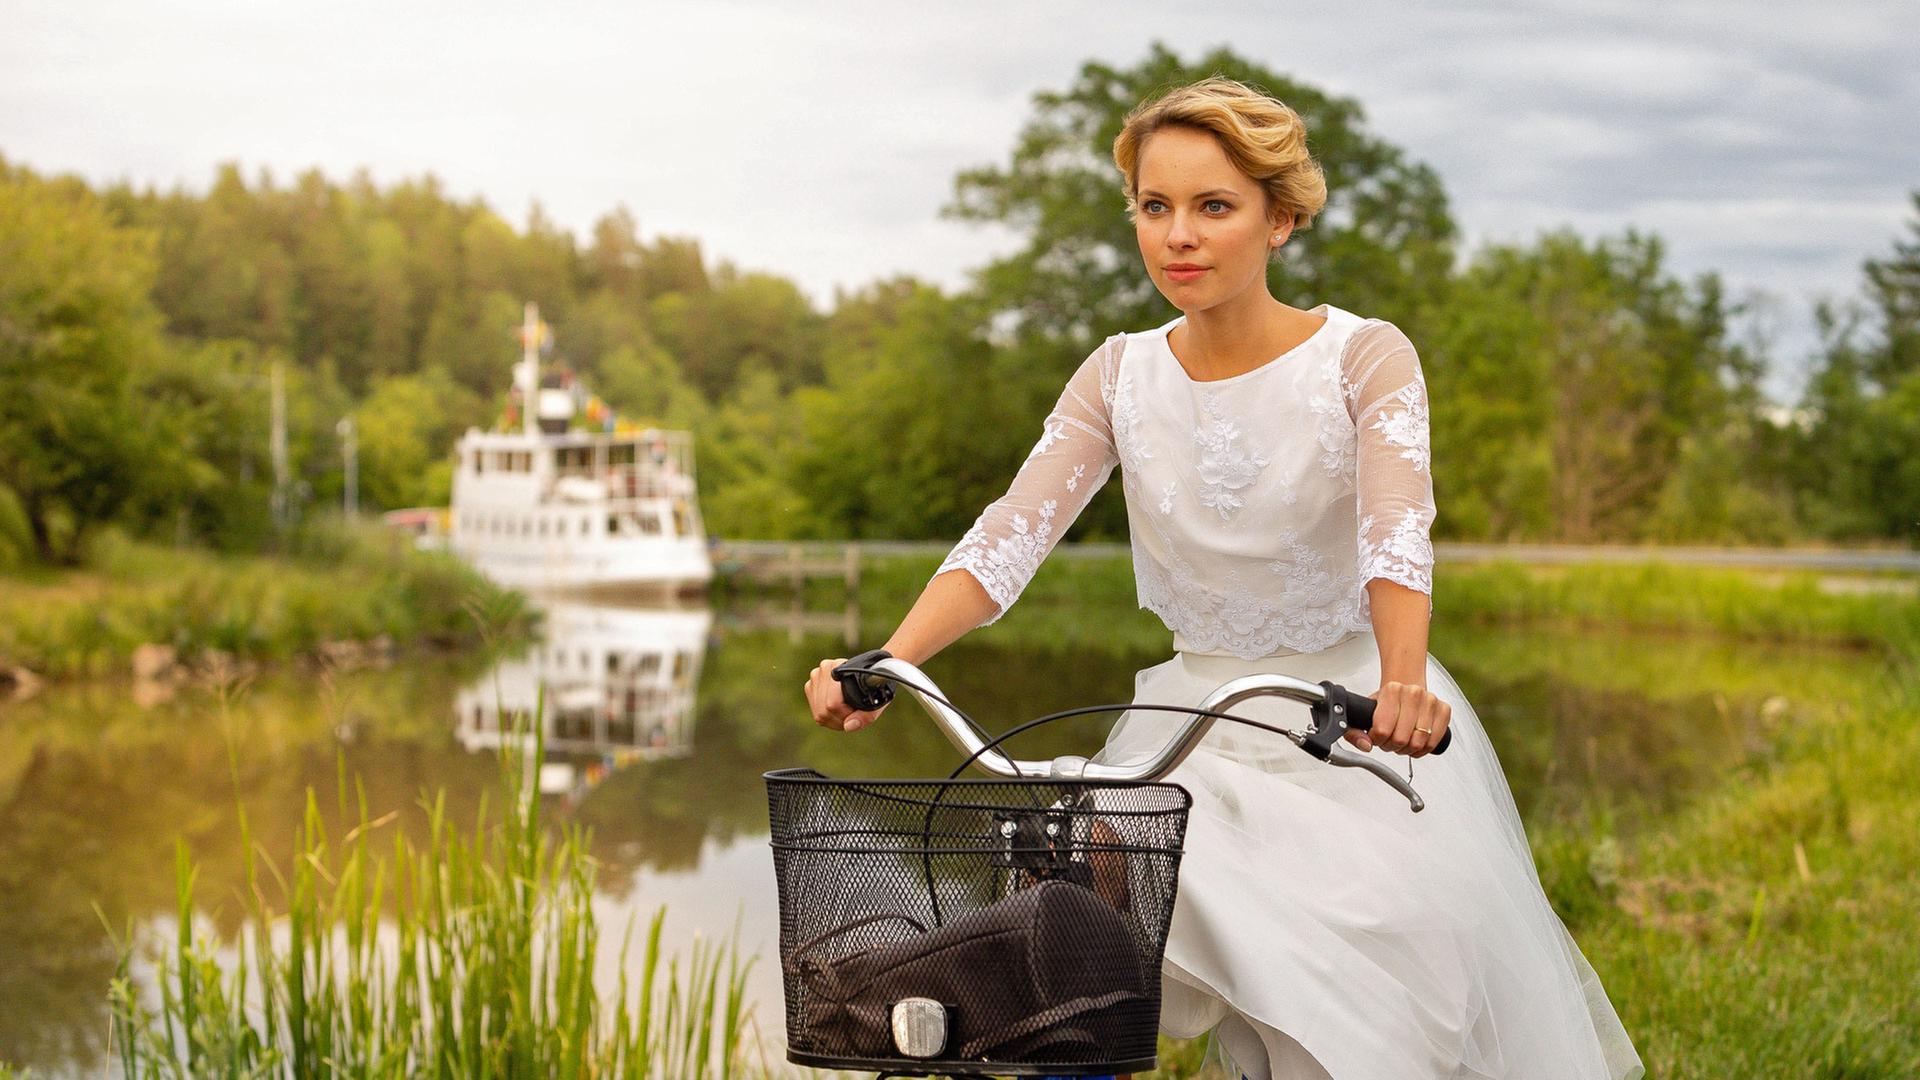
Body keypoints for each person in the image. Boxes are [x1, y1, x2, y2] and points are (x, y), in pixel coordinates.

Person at [803, 76, 1644, 1080]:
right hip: (1191, 724)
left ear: (1280, 218)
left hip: (1346, 723)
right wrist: (888, 660)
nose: (1178, 237)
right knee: (1078, 942)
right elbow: (1011, 537)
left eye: (1214, 206)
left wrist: (1404, 684)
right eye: (1155, 208)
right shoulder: (1118, 374)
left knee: (1356, 1025)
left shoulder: (1363, 358)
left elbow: (1395, 531)